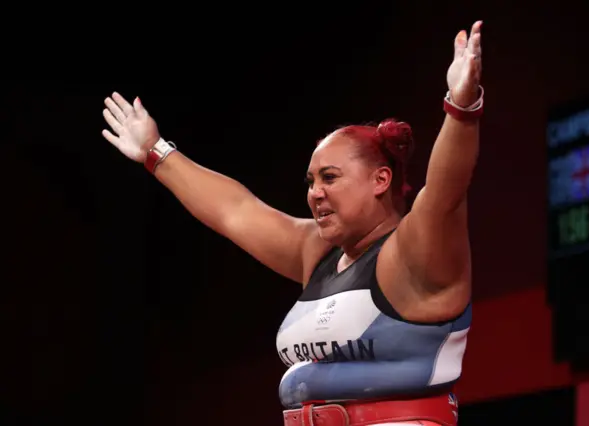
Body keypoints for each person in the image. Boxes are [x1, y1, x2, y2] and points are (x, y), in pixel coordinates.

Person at [102, 20, 484, 426]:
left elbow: (446, 190)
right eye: (311, 181)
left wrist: (462, 108)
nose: (314, 192)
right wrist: (155, 153)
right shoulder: (316, 251)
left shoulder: (416, 250)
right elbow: (236, 211)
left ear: (381, 180)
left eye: (330, 177)